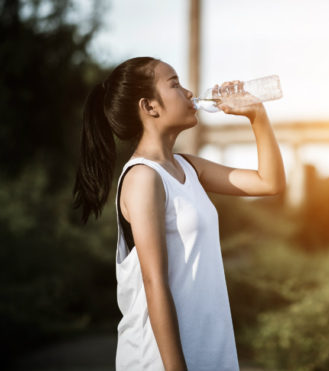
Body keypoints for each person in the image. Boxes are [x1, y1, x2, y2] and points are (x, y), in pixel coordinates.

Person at [72, 56, 286, 371]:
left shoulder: (189, 167)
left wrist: (257, 114)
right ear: (149, 107)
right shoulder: (143, 178)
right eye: (174, 83)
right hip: (160, 361)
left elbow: (270, 182)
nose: (188, 92)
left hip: (210, 352)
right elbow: (153, 280)